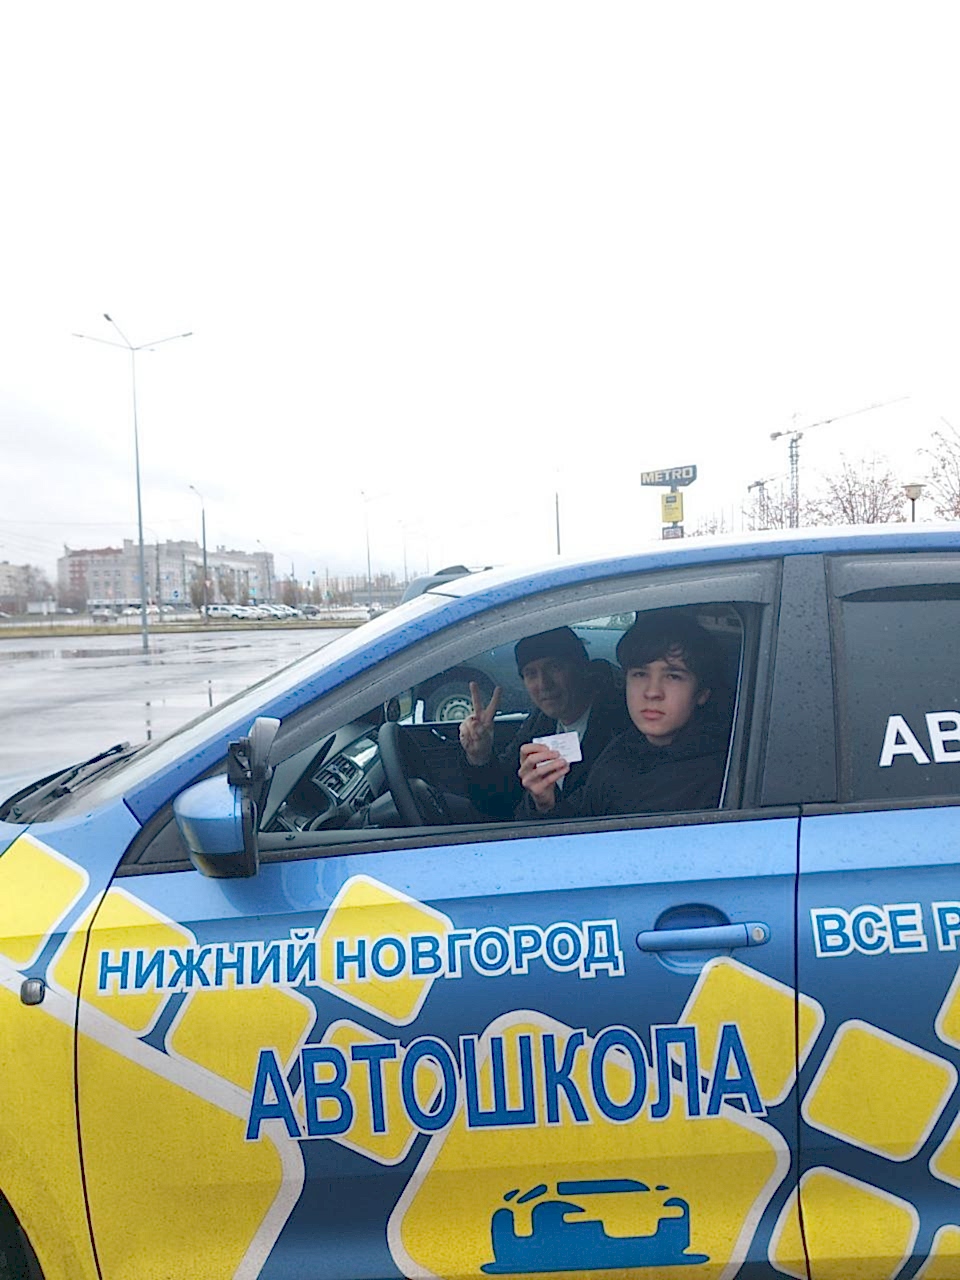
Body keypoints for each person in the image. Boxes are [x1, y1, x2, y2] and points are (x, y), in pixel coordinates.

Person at [518, 612, 729, 819]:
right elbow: (581, 821)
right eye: (640, 674)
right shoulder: (621, 750)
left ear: (702, 693)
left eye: (673, 676)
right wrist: (547, 803)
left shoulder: (719, 774)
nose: (652, 692)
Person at [459, 626, 630, 820]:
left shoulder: (618, 728)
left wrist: (548, 805)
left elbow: (596, 816)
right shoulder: (541, 721)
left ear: (581, 668)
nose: (543, 684)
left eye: (554, 667)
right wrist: (480, 757)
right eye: (531, 674)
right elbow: (500, 801)